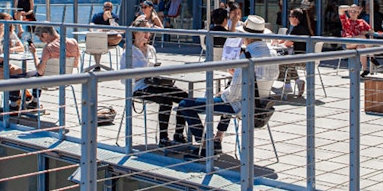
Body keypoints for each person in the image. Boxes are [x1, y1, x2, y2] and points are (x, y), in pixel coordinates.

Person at [178, 15, 278, 156]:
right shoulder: (273, 53)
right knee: (225, 96)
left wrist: (221, 94)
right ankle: (217, 140)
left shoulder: (247, 55)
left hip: (241, 104)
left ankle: (207, 145)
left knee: (185, 104)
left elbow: (232, 95)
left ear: (245, 36)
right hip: (259, 103)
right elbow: (263, 78)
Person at [120, 19, 188, 147]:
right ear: (135, 33)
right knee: (165, 101)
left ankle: (178, 133)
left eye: (149, 32)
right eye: (144, 31)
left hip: (155, 83)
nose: (148, 35)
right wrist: (142, 73)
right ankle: (163, 138)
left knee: (183, 95)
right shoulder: (128, 52)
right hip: (139, 88)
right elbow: (124, 79)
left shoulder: (151, 49)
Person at [25, 25, 81, 110]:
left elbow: (40, 71)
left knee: (18, 76)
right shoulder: (73, 42)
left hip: (49, 80)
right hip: (66, 78)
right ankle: (34, 101)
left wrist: (34, 54)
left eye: (40, 38)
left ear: (45, 34)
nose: (41, 41)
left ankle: (15, 104)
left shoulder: (49, 48)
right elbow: (75, 64)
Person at [273, 9, 310, 96]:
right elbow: (287, 40)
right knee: (287, 61)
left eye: (290, 16)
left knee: (280, 62)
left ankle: (287, 86)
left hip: (301, 59)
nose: (289, 18)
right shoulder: (302, 28)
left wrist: (278, 43)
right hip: (304, 57)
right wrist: (279, 41)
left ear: (296, 18)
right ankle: (296, 82)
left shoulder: (297, 29)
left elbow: (287, 43)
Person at [338, 4, 375, 77]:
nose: (353, 13)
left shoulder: (361, 21)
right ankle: (372, 56)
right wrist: (352, 7)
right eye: (351, 11)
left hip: (358, 43)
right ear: (348, 12)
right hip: (348, 42)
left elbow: (371, 31)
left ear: (358, 13)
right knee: (362, 37)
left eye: (355, 11)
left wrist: (365, 32)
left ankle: (365, 69)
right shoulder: (346, 21)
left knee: (361, 47)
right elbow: (340, 8)